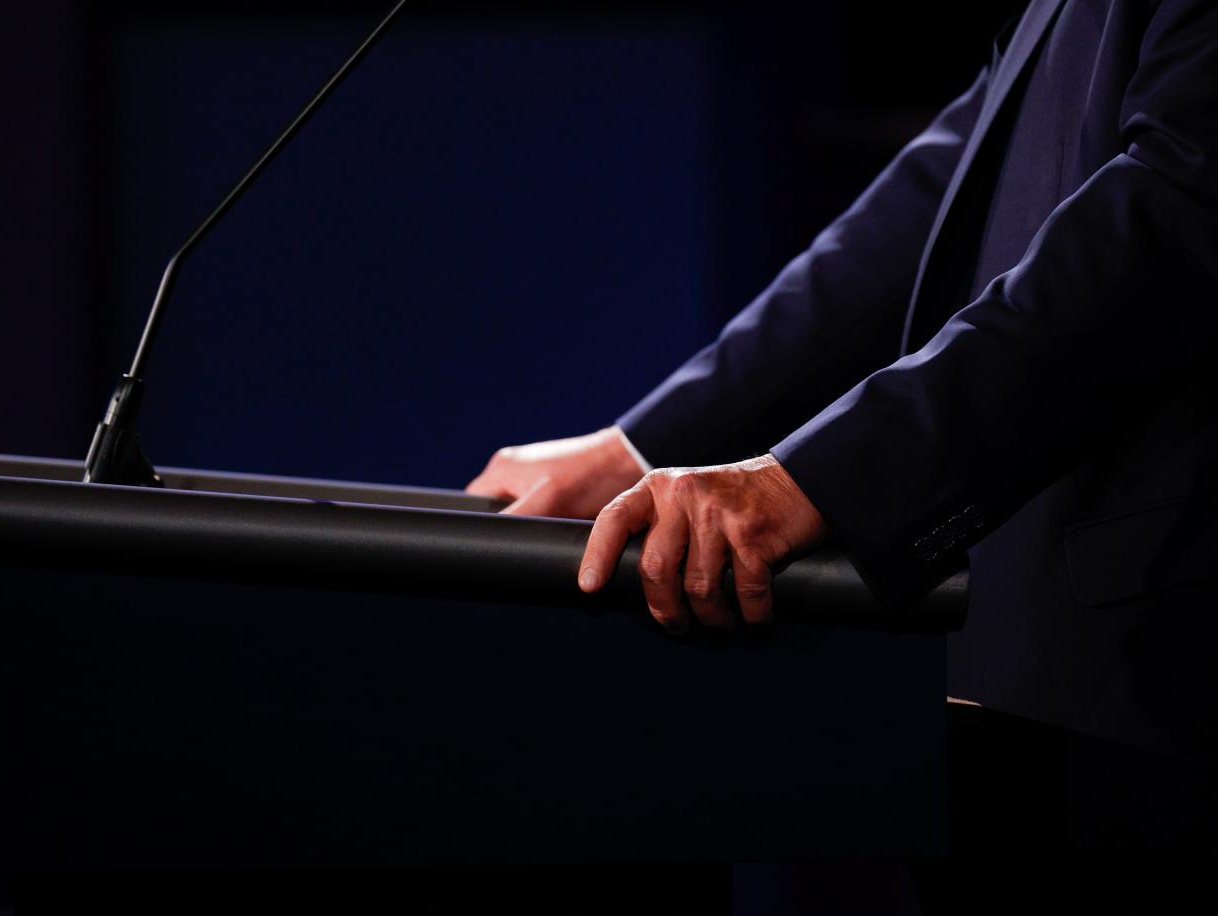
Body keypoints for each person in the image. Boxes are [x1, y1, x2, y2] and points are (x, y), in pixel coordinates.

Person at [466, 0, 1218, 857]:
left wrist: (818, 481)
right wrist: (643, 447)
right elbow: (954, 184)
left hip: (1153, 684)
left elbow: (1173, 225)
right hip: (1016, 673)